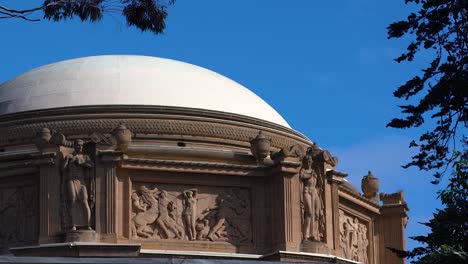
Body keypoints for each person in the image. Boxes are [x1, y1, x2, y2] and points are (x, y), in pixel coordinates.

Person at [61, 139, 94, 231]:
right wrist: (67, 159)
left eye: (81, 145)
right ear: (74, 146)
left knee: (84, 201)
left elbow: (91, 165)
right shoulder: (69, 156)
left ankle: (88, 224)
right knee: (72, 200)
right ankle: (73, 224)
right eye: (78, 145)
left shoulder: (85, 156)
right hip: (70, 180)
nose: (80, 147)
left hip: (81, 181)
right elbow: (62, 169)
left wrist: (81, 163)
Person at [299, 154, 322, 241]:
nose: (308, 163)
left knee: (316, 214)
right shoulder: (303, 171)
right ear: (304, 162)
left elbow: (320, 184)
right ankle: (305, 236)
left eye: (310, 161)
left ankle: (314, 235)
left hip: (314, 192)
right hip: (307, 191)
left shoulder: (314, 172)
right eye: (307, 161)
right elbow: (302, 177)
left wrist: (318, 176)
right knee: (309, 212)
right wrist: (310, 175)